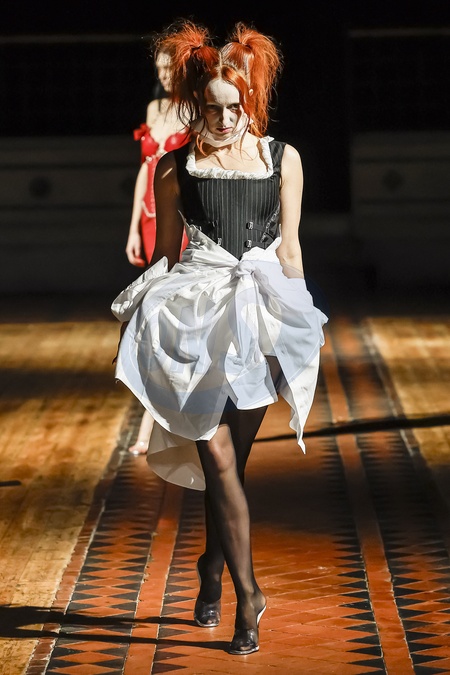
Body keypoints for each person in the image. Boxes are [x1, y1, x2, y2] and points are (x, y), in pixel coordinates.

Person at [112, 19, 328, 655]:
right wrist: (139, 319)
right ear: (196, 105)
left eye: (235, 107)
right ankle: (247, 597)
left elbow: (290, 251)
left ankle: (211, 565)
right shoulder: (174, 167)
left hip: (259, 321)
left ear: (250, 100)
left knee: (232, 464)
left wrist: (299, 328)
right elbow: (166, 256)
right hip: (198, 320)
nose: (226, 119)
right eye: (213, 108)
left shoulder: (282, 160)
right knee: (217, 457)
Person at [125, 44, 190, 454]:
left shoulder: (196, 110)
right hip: (151, 219)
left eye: (171, 68)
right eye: (160, 69)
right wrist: (133, 226)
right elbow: (145, 168)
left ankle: (154, 426)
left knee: (173, 320)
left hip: (180, 221)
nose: (165, 76)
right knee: (156, 319)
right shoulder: (154, 109)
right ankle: (156, 421)